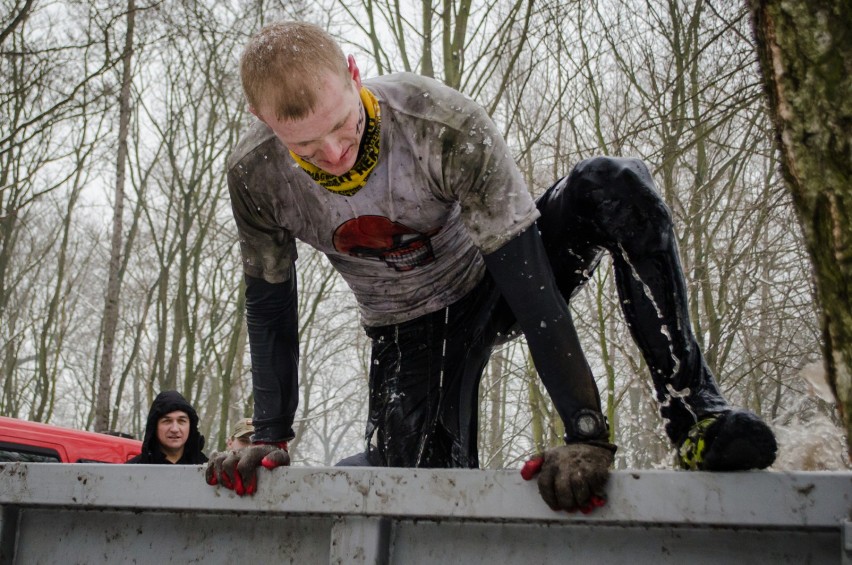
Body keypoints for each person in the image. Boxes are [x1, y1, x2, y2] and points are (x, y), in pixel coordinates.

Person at [205, 21, 777, 508]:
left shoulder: (440, 124)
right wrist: (272, 434)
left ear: (355, 74)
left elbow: (529, 281)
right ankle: (378, 455)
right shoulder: (255, 176)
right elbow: (270, 305)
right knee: (413, 491)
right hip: (407, 331)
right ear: (260, 118)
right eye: (305, 147)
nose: (333, 154)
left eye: (341, 125)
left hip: (495, 276)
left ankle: (694, 416)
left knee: (613, 183)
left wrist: (584, 429)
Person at [128, 390, 208, 464]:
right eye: (167, 421)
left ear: (190, 426)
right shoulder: (132, 471)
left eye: (181, 421)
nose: (174, 429)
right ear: (154, 427)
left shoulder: (208, 471)